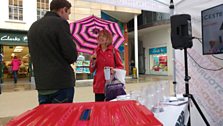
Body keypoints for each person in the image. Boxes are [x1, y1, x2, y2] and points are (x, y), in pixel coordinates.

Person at [28, 0, 78, 104]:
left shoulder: (34, 26)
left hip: (42, 85)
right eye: (68, 13)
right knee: (62, 118)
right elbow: (71, 55)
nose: (68, 17)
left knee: (47, 118)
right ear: (63, 10)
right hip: (60, 83)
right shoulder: (60, 23)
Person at [89, 29, 124, 102]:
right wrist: (93, 61)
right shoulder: (95, 51)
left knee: (110, 108)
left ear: (108, 38)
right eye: (100, 36)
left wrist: (113, 70)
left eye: (104, 36)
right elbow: (91, 70)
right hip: (99, 85)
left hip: (111, 84)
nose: (101, 38)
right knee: (99, 108)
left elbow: (120, 66)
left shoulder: (114, 51)